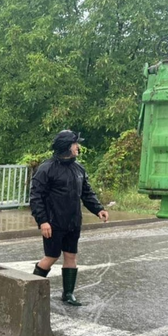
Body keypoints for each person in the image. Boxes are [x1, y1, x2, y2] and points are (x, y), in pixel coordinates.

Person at [29, 130, 109, 306]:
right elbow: (36, 197)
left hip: (73, 222)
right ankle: (31, 290)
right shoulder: (46, 169)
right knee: (51, 256)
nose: (78, 147)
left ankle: (68, 294)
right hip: (53, 222)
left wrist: (98, 209)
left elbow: (86, 192)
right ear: (67, 147)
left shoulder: (78, 168)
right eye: (75, 144)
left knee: (71, 256)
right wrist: (42, 221)